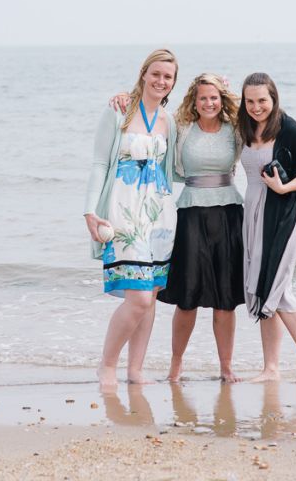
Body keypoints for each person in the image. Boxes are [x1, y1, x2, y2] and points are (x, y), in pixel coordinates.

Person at [112, 74, 245, 383]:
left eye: (214, 97)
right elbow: (150, 124)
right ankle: (176, 366)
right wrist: (125, 97)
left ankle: (226, 368)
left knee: (225, 300)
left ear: (221, 99)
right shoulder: (180, 128)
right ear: (193, 101)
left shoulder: (234, 131)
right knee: (187, 299)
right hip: (189, 214)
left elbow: (257, 121)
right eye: (203, 98)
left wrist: (230, 90)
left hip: (228, 214)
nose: (209, 103)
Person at [84, 49, 179, 389]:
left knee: (149, 295)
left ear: (173, 84)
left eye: (168, 77)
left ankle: (135, 370)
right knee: (137, 297)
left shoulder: (170, 122)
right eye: (156, 74)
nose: (161, 81)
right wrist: (90, 211)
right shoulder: (118, 111)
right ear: (143, 74)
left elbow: (176, 169)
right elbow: (100, 164)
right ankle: (106, 365)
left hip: (160, 215)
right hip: (123, 214)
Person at [238, 72, 296, 384]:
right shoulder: (245, 126)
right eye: (249, 101)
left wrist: (284, 188)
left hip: (281, 216)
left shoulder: (288, 128)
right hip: (252, 214)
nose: (256, 107)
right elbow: (208, 110)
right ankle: (271, 368)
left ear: (274, 98)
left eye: (262, 100)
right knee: (265, 291)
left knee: (278, 290)